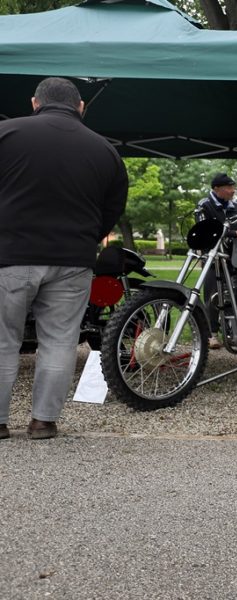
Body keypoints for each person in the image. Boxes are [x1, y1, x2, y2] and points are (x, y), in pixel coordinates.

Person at [0, 77, 128, 440]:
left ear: (34, 102)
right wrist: (86, 237)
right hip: (73, 259)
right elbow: (112, 208)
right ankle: (43, 421)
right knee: (59, 341)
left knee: (3, 341)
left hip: (10, 254)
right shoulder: (105, 150)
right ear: (80, 107)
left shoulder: (6, 134)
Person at [194, 172, 237, 349]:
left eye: (233, 187)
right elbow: (206, 230)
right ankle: (211, 335)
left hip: (234, 259)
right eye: (229, 187)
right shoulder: (204, 205)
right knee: (212, 296)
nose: (233, 190)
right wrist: (233, 233)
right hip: (213, 259)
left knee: (235, 294)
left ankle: (232, 333)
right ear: (216, 189)